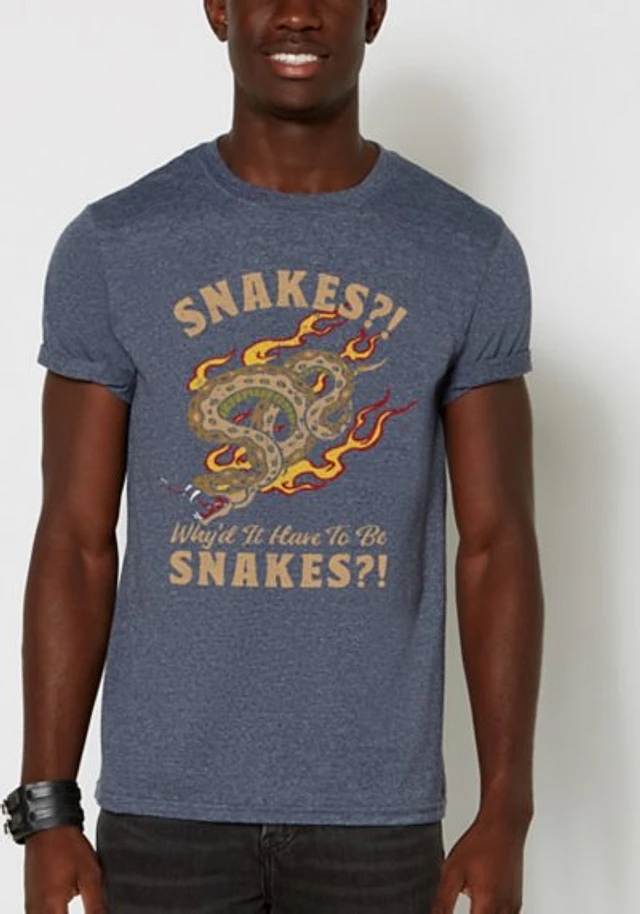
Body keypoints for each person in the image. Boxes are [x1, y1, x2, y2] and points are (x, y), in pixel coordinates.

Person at [4, 1, 544, 912]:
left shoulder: (466, 251)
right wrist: (46, 809)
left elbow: (497, 546)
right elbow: (75, 541)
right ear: (219, 9)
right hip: (164, 818)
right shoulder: (114, 246)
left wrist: (507, 811)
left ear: (374, 11)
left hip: (375, 820)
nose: (298, 13)